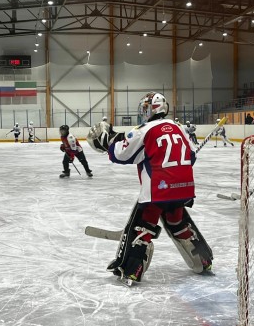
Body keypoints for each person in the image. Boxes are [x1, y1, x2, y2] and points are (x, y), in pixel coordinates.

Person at [87, 91, 213, 286]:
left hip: (158, 190)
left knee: (143, 226)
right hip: (185, 188)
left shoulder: (144, 130)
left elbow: (122, 154)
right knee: (176, 222)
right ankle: (203, 260)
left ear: (148, 109)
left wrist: (109, 143)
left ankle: (133, 269)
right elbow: (192, 157)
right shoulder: (179, 128)